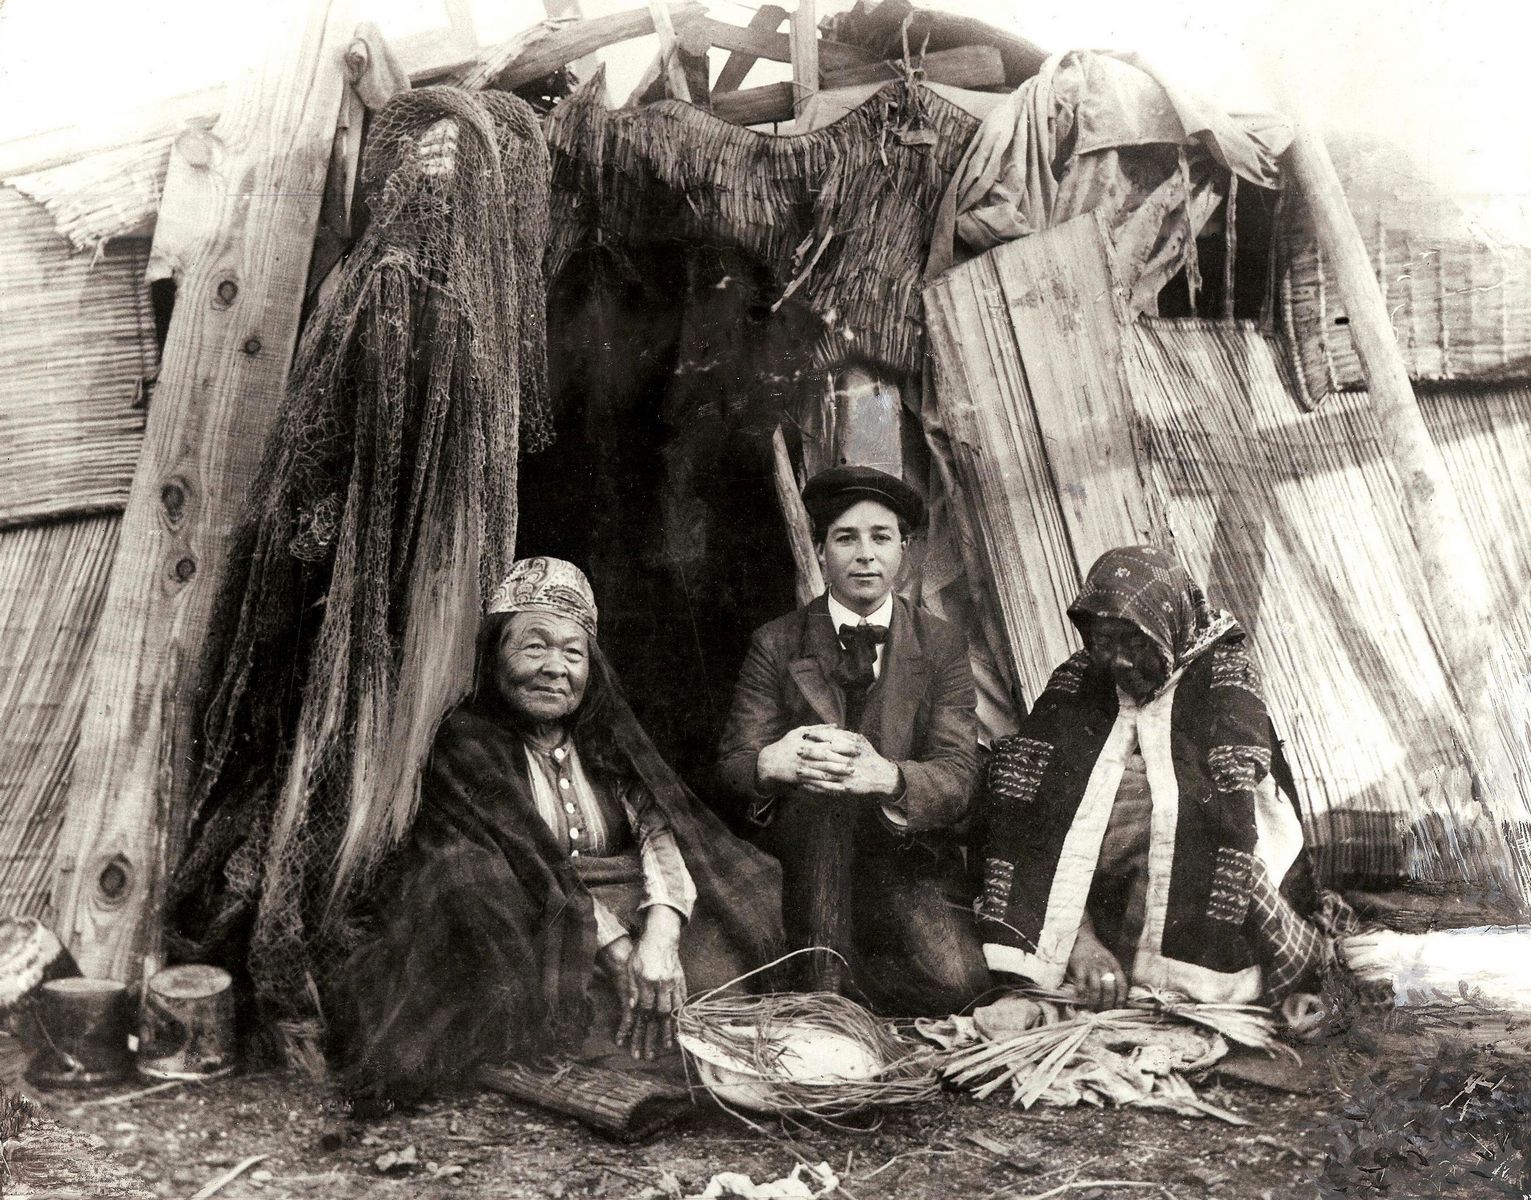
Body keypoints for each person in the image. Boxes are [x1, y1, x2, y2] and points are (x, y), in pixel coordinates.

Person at [331, 558, 783, 1105]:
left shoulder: (610, 738)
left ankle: (652, 1028)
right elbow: (522, 859)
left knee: (738, 901)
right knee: (479, 906)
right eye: (534, 646)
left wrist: (660, 937)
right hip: (535, 912)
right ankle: (611, 1044)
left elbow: (659, 832)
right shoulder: (466, 741)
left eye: (573, 652)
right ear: (494, 657)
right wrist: (616, 948)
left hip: (627, 894)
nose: (554, 667)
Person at [976, 545, 1338, 1008]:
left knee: (1186, 817)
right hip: (1101, 878)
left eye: (1135, 642)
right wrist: (1080, 939)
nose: (1120, 661)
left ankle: (1182, 976)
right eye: (1105, 643)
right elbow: (1030, 790)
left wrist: (1156, 785)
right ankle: (1083, 947)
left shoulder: (1222, 671)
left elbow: (1233, 792)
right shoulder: (1078, 680)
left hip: (1209, 856)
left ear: (1168, 625)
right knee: (1040, 794)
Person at [715, 466, 991, 1017]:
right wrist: (774, 762)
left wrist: (889, 776)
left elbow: (960, 773)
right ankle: (823, 994)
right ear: (819, 551)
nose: (865, 555)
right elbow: (733, 763)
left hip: (904, 855)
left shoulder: (940, 644)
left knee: (960, 987)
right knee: (826, 804)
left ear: (904, 550)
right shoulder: (776, 641)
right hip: (805, 853)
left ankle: (843, 978)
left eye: (881, 537)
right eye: (845, 538)